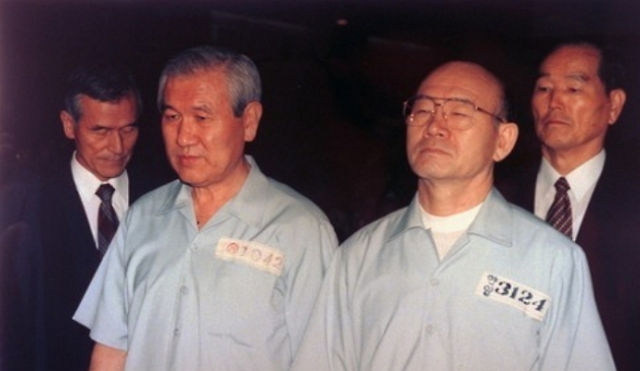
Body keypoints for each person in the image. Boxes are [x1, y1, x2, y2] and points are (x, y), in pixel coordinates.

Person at [291, 61, 615, 371]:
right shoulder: (358, 256)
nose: (435, 126)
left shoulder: (552, 260)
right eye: (423, 110)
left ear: (502, 141)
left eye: (460, 112)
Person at [73, 46, 338, 371]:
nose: (184, 136)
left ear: (250, 121)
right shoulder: (142, 218)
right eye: (172, 117)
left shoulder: (301, 230)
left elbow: (322, 361)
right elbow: (111, 351)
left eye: (201, 117)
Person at [498, 41, 640, 370]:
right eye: (544, 87)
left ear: (614, 105)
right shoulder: (496, 197)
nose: (554, 101)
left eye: (574, 88)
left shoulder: (633, 206)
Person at [35, 63, 158, 371]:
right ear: (68, 124)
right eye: (100, 130)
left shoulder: (165, 198)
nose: (117, 147)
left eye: (128, 129)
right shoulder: (28, 205)